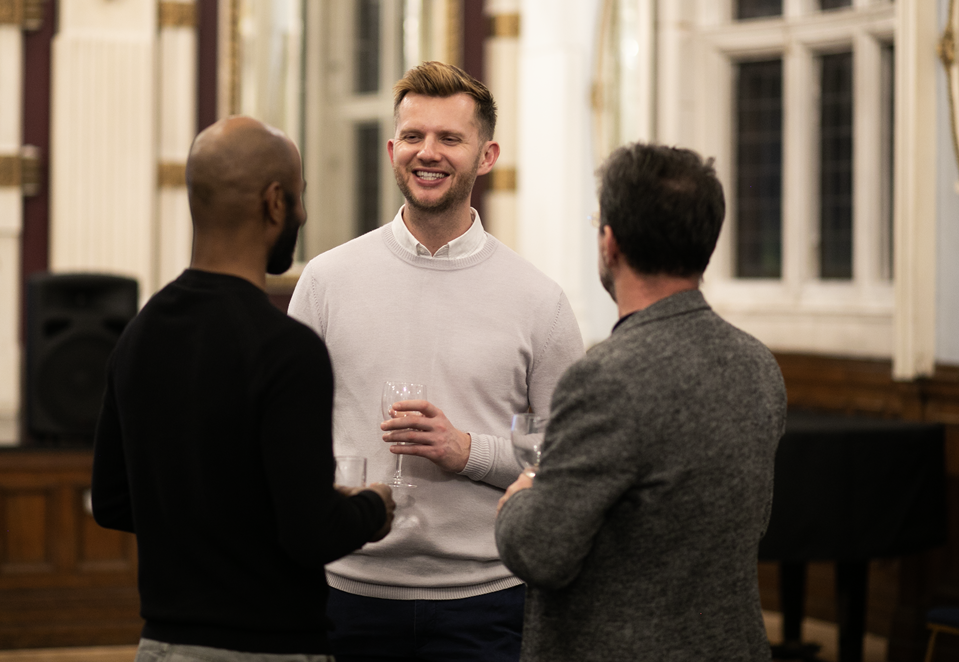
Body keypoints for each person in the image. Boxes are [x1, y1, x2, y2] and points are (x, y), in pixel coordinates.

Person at [288, 61, 585, 662]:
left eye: (450, 138)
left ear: (486, 154)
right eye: (415, 137)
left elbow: (570, 460)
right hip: (345, 594)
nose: (430, 152)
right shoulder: (325, 281)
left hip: (488, 602)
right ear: (393, 149)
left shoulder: (539, 300)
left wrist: (465, 450)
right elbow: (285, 437)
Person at [91, 116, 396, 662]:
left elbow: (113, 502)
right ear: (275, 202)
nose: (302, 213)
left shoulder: (138, 336)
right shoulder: (286, 350)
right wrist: (374, 507)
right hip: (264, 648)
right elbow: (311, 533)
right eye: (300, 197)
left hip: (160, 646)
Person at [495, 143, 787, 662]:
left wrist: (520, 498)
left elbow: (541, 552)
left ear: (609, 242)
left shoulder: (605, 378)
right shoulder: (758, 364)